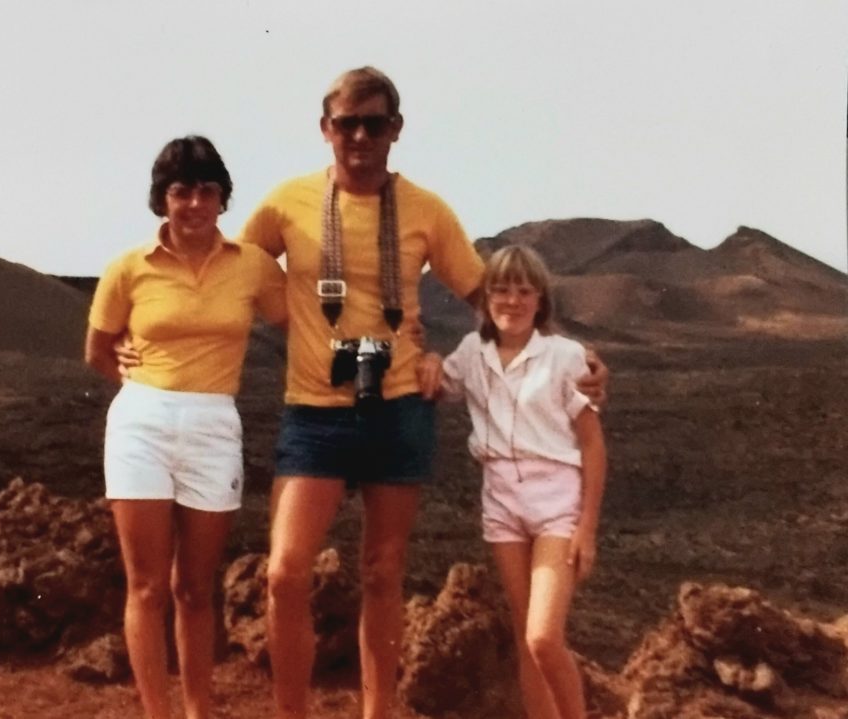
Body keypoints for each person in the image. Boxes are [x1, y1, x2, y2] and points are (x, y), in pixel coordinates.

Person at [237, 67, 607, 719]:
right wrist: (277, 312)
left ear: (396, 129)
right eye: (347, 123)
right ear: (325, 129)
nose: (359, 135)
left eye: (374, 123)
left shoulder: (425, 209)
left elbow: (492, 298)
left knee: (383, 572)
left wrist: (574, 355)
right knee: (285, 572)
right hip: (316, 413)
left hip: (400, 407)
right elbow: (232, 268)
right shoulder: (286, 202)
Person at [84, 135, 286, 719]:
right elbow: (97, 350)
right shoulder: (129, 268)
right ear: (162, 199)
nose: (194, 204)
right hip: (141, 423)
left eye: (206, 191)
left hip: (213, 424)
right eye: (181, 192)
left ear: (222, 198)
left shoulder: (252, 266)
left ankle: (199, 710)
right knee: (146, 586)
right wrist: (127, 369)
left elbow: (300, 321)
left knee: (196, 588)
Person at [421, 244, 606, 719]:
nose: (512, 301)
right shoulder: (472, 353)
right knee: (525, 635)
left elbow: (592, 445)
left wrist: (587, 528)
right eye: (501, 290)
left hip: (556, 504)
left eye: (524, 291)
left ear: (541, 300)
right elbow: (437, 384)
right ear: (486, 299)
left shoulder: (565, 356)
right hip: (501, 503)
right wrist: (431, 358)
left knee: (543, 636)